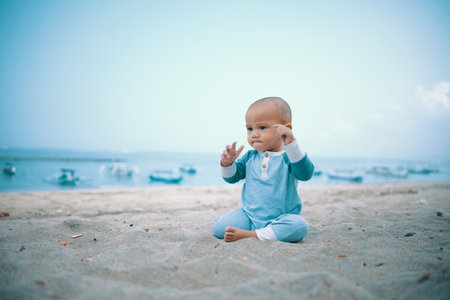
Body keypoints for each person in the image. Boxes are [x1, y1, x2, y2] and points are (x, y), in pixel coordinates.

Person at [213, 97, 314, 242]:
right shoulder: (250, 157)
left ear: (285, 129)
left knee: (299, 226)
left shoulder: (289, 157)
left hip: (281, 219)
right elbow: (232, 178)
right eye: (250, 129)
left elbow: (305, 174)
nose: (254, 134)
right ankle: (258, 231)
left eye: (262, 127)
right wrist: (227, 164)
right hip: (249, 216)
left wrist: (292, 145)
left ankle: (251, 235)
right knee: (219, 228)